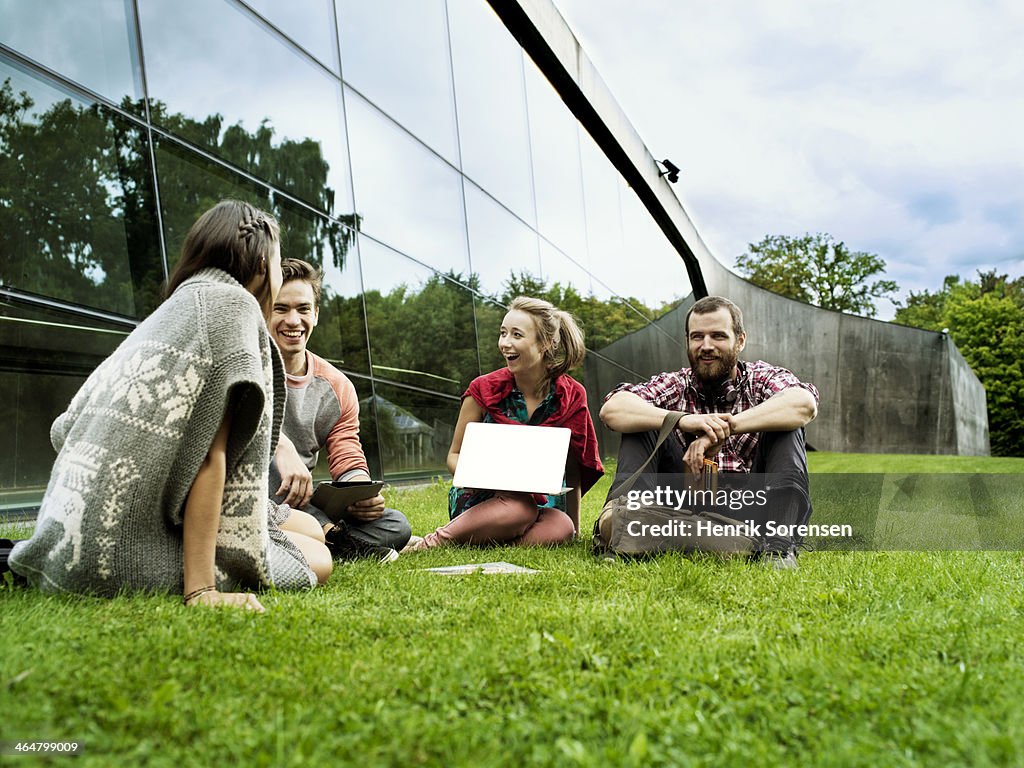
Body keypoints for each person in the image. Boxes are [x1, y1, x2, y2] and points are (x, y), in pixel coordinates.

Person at [8, 200, 332, 611]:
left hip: (66, 536)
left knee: (313, 531)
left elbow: (64, 427)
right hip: (122, 544)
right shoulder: (234, 307)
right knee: (319, 559)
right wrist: (202, 592)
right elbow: (209, 457)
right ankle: (198, 575)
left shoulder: (171, 310)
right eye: (274, 261)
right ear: (256, 264)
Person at [599, 295, 819, 567]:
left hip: (749, 506)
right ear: (688, 342)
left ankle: (777, 548)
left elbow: (803, 405)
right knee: (643, 420)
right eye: (697, 337)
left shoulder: (762, 379)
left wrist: (726, 428)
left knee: (788, 426)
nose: (706, 346)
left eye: (718, 336)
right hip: (681, 501)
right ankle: (627, 531)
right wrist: (681, 420)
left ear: (740, 340)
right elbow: (613, 409)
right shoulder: (675, 383)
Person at [406, 296, 603, 551]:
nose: (505, 343)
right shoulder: (482, 389)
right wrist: (481, 475)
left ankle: (482, 542)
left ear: (545, 343)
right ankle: (430, 543)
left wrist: (575, 529)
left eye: (516, 335)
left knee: (561, 526)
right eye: (503, 333)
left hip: (538, 504)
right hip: (482, 498)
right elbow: (454, 455)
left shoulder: (572, 395)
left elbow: (575, 468)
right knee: (518, 508)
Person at [267, 258, 411, 563]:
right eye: (281, 308)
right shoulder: (243, 366)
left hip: (300, 501)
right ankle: (333, 537)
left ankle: (321, 535)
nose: (293, 320)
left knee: (396, 525)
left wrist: (360, 492)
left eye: (303, 309)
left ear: (316, 315)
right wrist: (282, 446)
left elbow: (346, 451)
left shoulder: (336, 386)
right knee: (268, 469)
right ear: (265, 311)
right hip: (259, 494)